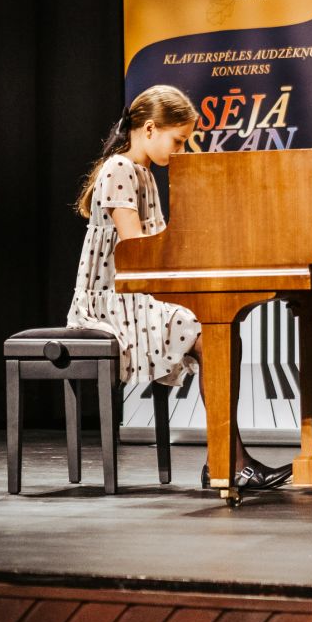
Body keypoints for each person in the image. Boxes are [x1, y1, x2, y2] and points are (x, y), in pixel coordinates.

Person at [66, 85, 290, 492]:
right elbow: (136, 252)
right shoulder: (119, 169)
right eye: (178, 140)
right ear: (150, 129)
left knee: (222, 332)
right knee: (208, 334)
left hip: (135, 292)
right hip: (112, 301)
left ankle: (224, 459)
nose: (181, 150)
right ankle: (229, 462)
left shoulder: (143, 173)